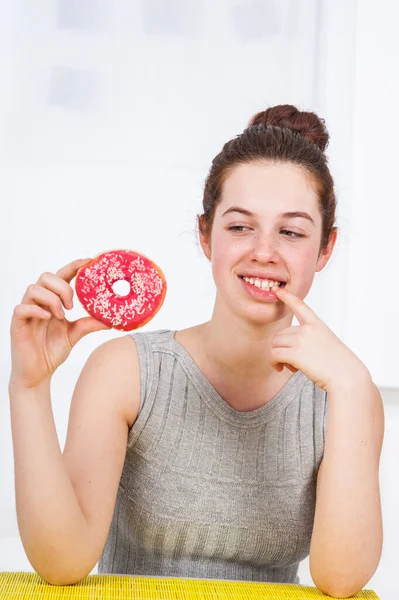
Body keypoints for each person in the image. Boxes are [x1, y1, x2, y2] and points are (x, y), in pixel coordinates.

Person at [9, 105, 384, 597]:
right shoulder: (127, 371)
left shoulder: (346, 394)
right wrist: (29, 387)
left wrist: (353, 389)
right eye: (239, 227)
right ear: (206, 235)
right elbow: (63, 562)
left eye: (291, 232)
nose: (264, 252)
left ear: (325, 249)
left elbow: (341, 580)